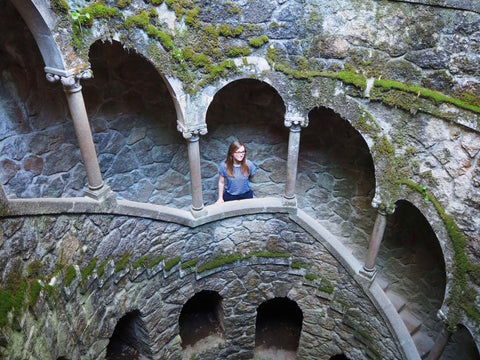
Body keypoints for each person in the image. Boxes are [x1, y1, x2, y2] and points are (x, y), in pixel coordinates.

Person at [215, 140, 257, 204]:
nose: (241, 155)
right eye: (238, 152)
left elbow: (251, 176)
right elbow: (221, 182)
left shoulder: (249, 164)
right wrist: (220, 198)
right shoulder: (223, 166)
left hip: (246, 195)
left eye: (243, 152)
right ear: (232, 153)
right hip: (230, 196)